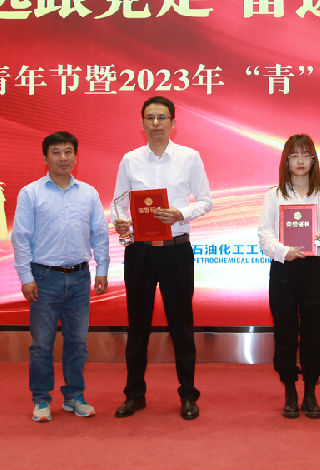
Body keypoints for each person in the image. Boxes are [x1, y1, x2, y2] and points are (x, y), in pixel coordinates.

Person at [111, 96, 213, 420]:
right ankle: (134, 395)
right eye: (150, 118)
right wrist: (122, 222)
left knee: (181, 325)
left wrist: (181, 213)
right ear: (142, 123)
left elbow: (206, 201)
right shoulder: (130, 160)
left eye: (162, 117)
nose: (156, 123)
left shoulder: (189, 157)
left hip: (175, 250)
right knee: (137, 325)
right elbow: (118, 204)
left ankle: (188, 395)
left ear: (173, 122)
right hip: (139, 252)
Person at [11, 131, 110, 422]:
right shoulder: (31, 193)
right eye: (56, 152)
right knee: (42, 344)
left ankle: (74, 396)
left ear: (76, 157)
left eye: (68, 152)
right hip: (44, 277)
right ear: (45, 157)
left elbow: (99, 234)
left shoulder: (89, 193)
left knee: (77, 342)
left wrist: (102, 269)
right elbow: (21, 237)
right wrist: (25, 276)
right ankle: (41, 399)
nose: (63, 158)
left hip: (79, 277)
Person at [257, 134, 320, 419]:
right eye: (294, 155)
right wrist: (283, 251)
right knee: (286, 331)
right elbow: (264, 233)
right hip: (284, 269)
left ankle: (311, 392)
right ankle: (290, 390)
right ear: (286, 161)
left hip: (314, 269)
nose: (300, 161)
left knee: (315, 332)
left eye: (305, 155)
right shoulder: (274, 195)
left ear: (313, 159)